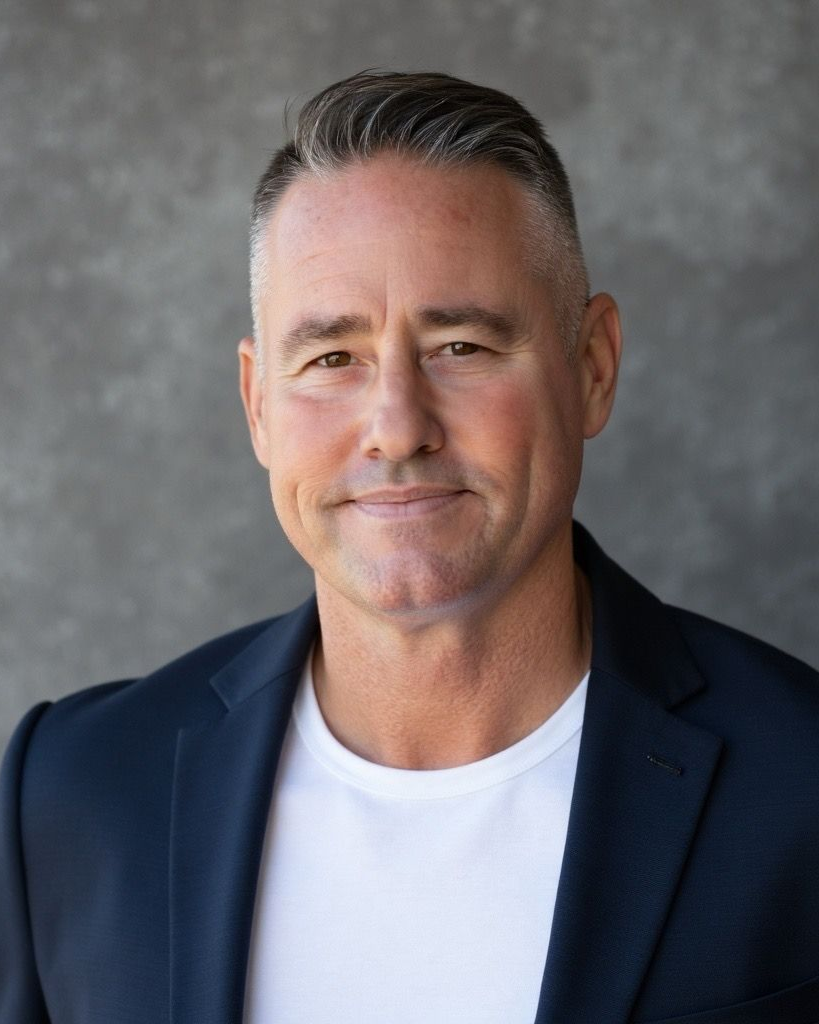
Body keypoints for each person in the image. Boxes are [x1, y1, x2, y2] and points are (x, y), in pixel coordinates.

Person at [1, 70, 818, 1024]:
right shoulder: (74, 794)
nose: (396, 427)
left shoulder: (799, 785)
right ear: (259, 403)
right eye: (331, 358)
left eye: (461, 346)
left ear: (590, 367)